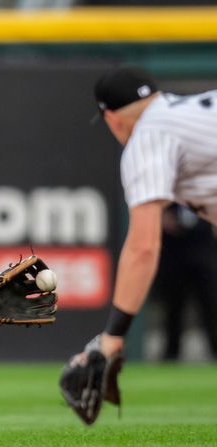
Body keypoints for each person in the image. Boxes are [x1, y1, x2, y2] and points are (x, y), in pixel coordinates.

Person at [85, 65, 217, 370]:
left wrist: (113, 335)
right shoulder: (188, 114)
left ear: (111, 118)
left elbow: (143, 248)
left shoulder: (148, 135)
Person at [153, 204, 217, 361]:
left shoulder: (205, 190)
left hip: (203, 255)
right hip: (174, 256)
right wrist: (163, 219)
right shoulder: (168, 193)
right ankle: (171, 353)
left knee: (211, 305)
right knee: (173, 308)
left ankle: (215, 348)